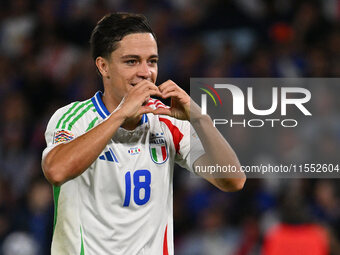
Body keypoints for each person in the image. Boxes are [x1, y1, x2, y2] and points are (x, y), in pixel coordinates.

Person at [41, 12, 246, 255]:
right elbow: (56, 170)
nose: (145, 72)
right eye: (131, 61)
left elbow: (233, 180)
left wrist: (200, 119)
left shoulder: (166, 120)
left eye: (152, 61)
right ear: (103, 66)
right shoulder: (73, 118)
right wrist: (119, 115)